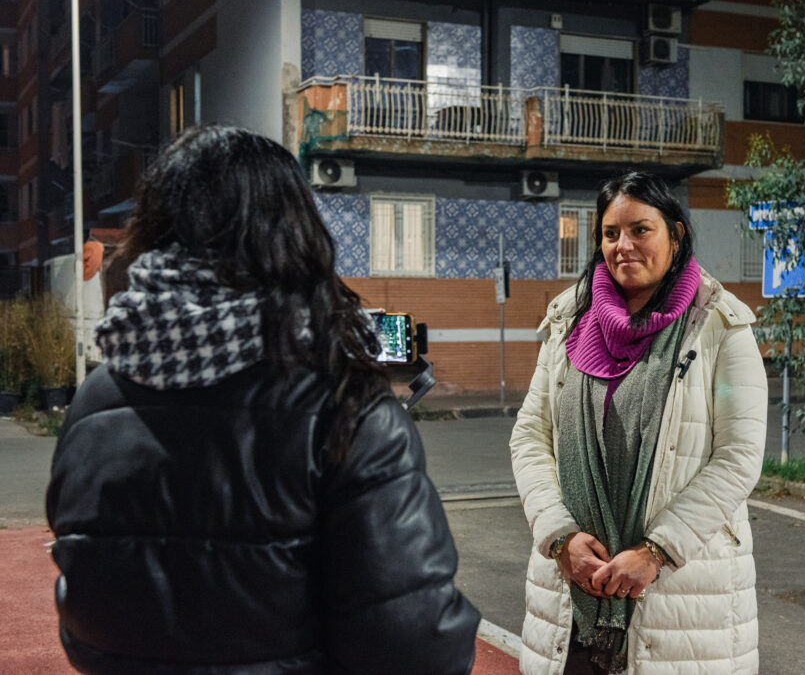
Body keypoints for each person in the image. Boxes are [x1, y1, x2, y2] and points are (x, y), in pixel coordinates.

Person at [46, 125, 480, 674]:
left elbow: (85, 612)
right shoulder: (344, 398)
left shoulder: (94, 400)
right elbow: (415, 643)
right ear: (294, 231)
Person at [510, 171, 767, 674]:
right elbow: (530, 436)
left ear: (676, 235)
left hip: (680, 598)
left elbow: (738, 457)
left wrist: (656, 551)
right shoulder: (569, 319)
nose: (623, 245)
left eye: (640, 230)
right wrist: (560, 538)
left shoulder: (719, 328)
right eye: (610, 233)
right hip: (574, 589)